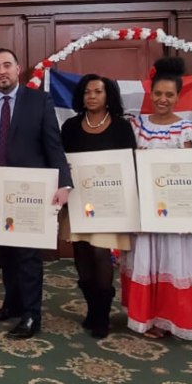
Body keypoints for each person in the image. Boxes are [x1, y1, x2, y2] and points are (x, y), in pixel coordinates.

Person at [0, 49, 73, 339]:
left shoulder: (39, 100)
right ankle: (12, 305)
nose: (1, 71)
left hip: (31, 192)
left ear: (18, 69)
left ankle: (31, 315)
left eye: (6, 65)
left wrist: (64, 182)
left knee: (28, 256)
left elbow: (53, 144)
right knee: (5, 251)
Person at [122, 57, 192, 341]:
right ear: (151, 94)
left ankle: (174, 318)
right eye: (158, 93)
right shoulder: (136, 126)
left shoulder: (187, 130)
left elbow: (191, 172)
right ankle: (145, 317)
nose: (162, 99)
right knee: (146, 260)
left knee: (174, 262)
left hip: (175, 212)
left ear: (178, 96)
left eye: (169, 95)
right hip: (144, 210)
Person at [59, 74, 137, 338]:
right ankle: (91, 309)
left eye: (98, 92)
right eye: (87, 92)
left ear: (108, 96)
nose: (91, 96)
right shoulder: (70, 126)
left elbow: (130, 165)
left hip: (109, 204)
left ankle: (102, 313)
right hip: (78, 201)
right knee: (81, 256)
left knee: (101, 255)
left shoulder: (121, 127)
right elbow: (62, 162)